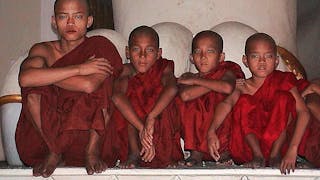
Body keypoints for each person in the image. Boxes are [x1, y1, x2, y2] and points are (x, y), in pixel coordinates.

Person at [15, 0, 123, 177]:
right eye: (63, 16)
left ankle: (91, 151)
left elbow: (89, 85)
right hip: (49, 132)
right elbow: (25, 79)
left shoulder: (100, 45)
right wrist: (80, 69)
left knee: (104, 85)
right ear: (54, 21)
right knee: (33, 90)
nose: (70, 23)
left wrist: (47, 75)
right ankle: (54, 151)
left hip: (89, 131)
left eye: (78, 16)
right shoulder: (43, 50)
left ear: (89, 21)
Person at [207, 32, 310, 174]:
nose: (262, 61)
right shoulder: (242, 86)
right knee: (243, 100)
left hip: (280, 148)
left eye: (268, 56)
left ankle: (275, 155)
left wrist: (293, 149)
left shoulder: (283, 80)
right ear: (245, 60)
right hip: (247, 149)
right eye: (255, 56)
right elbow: (227, 104)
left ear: (276, 61)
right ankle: (258, 156)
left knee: (284, 98)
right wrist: (212, 130)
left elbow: (303, 112)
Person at [112, 25, 183, 168]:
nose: (142, 56)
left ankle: (167, 155)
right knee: (128, 100)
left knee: (166, 101)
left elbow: (172, 88)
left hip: (157, 116)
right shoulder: (126, 70)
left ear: (158, 53)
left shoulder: (164, 67)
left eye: (149, 50)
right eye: (136, 49)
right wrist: (141, 128)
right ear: (127, 52)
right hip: (136, 125)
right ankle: (134, 152)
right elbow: (116, 97)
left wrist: (151, 117)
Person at [177, 30, 245, 167]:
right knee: (186, 103)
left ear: (221, 57)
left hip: (220, 124)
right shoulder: (188, 76)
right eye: (198, 52)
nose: (203, 57)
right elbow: (185, 96)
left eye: (210, 52)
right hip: (197, 129)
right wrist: (214, 83)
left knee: (223, 98)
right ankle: (196, 152)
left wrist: (199, 82)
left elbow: (226, 88)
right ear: (191, 58)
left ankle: (223, 151)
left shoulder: (228, 70)